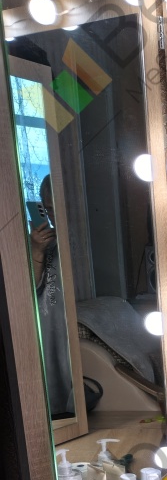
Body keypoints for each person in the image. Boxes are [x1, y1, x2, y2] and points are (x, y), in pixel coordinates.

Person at [29, 175, 73, 418]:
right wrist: (37, 250)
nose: (54, 215)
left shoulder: (83, 236)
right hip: (50, 317)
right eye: (48, 209)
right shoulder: (42, 243)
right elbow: (29, 289)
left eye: (58, 207)